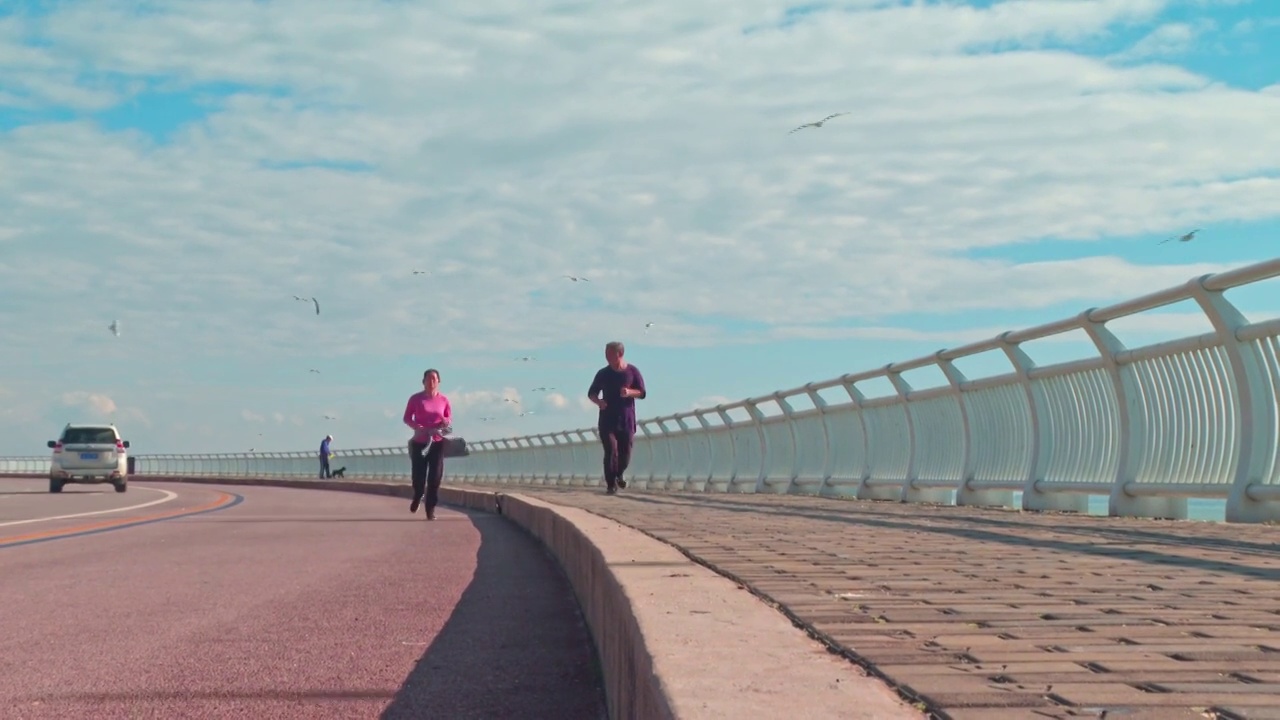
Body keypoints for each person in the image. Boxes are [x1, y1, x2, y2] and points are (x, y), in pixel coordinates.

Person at [587, 340, 646, 494]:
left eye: (609, 354)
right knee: (611, 451)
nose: (606, 357)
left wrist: (629, 392)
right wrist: (599, 402)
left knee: (625, 452)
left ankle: (619, 473)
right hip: (607, 419)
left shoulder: (632, 371)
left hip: (626, 420)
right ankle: (611, 485)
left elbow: (642, 392)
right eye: (605, 354)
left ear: (620, 354)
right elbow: (591, 393)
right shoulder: (603, 373)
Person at [402, 368, 452, 520]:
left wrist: (445, 422)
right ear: (423, 382)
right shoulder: (416, 399)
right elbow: (407, 418)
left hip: (437, 441)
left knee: (435, 477)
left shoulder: (444, 400)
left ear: (438, 382)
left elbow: (448, 418)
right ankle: (418, 495)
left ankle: (430, 509)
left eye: (434, 379)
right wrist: (416, 426)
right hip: (420, 442)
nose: (431, 382)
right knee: (419, 476)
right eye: (428, 379)